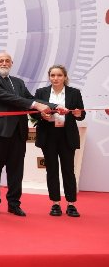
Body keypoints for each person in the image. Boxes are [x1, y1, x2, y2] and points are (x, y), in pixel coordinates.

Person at [0, 52, 59, 217]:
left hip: (18, 132)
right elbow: (10, 98)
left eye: (7, 61)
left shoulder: (18, 82)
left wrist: (54, 107)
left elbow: (30, 100)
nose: (4, 63)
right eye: (0, 61)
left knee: (16, 171)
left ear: (12, 63)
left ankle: (14, 204)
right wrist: (36, 105)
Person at [34, 65, 85, 217]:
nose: (55, 78)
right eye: (53, 75)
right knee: (51, 169)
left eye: (59, 75)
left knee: (68, 169)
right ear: (49, 77)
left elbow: (81, 114)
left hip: (67, 135)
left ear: (65, 77)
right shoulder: (41, 92)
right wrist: (41, 115)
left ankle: (71, 204)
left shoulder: (74, 93)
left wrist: (77, 114)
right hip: (48, 134)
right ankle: (55, 203)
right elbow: (33, 113)